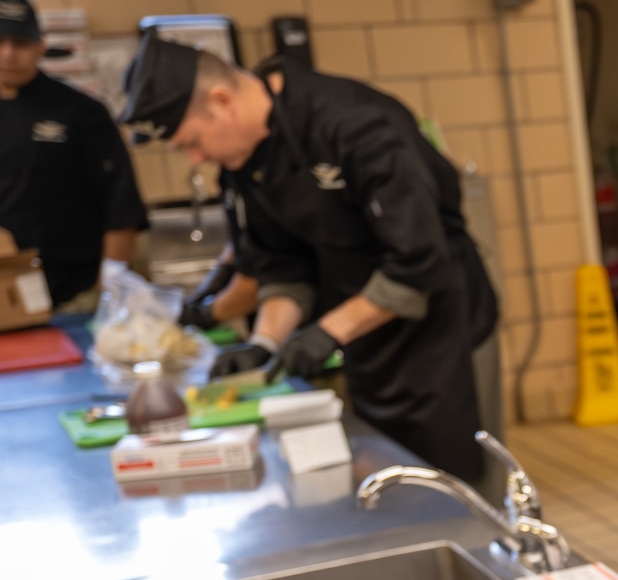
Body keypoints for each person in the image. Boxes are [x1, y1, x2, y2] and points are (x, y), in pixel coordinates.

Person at [121, 36, 494, 479]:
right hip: (364, 329)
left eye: (193, 143)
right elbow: (282, 265)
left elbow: (417, 260)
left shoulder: (356, 126)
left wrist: (328, 333)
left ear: (222, 101)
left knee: (448, 474)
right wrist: (266, 343)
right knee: (387, 466)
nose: (197, 159)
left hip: (436, 325)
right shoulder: (245, 166)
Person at [0, 0, 147, 313]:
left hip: (75, 294)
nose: (8, 54)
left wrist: (106, 289)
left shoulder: (81, 111)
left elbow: (121, 206)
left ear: (40, 45)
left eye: (20, 43)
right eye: (1, 41)